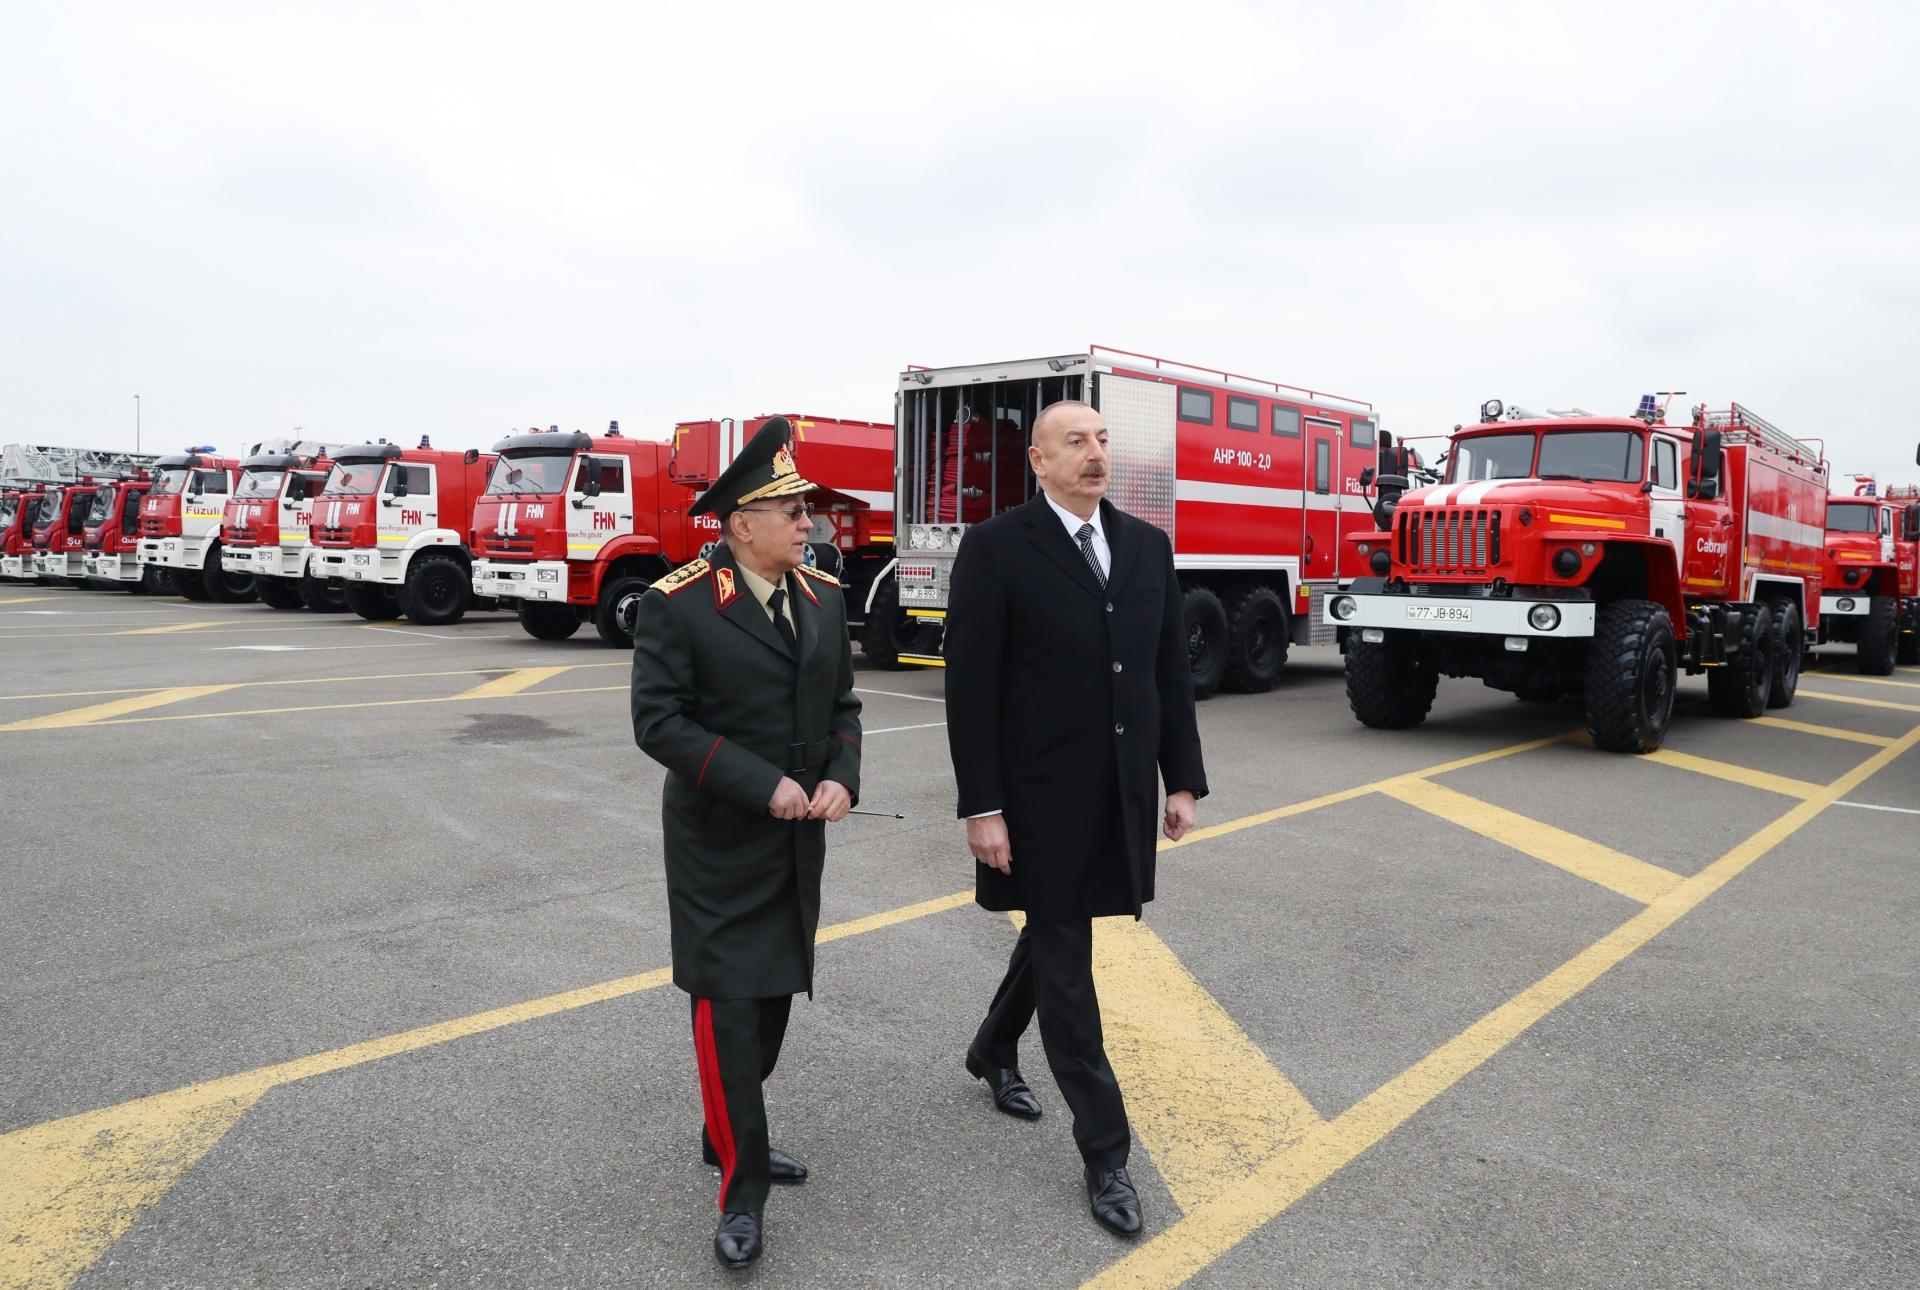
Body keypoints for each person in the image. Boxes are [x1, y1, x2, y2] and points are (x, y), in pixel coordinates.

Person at [943, 398, 1208, 1237]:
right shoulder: (996, 549)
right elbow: (970, 687)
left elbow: (1167, 674)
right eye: (1075, 443)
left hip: (1119, 794)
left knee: (1058, 930)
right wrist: (982, 806)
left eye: (1101, 440)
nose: (1095, 455)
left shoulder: (1145, 546)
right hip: (1036, 800)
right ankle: (1106, 1153)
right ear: (1039, 461)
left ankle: (990, 1048)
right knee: (1067, 966)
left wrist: (1182, 780)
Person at [628, 417, 863, 1270]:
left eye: (807, 509)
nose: (809, 522)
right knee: (728, 1004)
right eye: (789, 509)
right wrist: (759, 781)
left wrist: (843, 775)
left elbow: (843, 706)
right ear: (739, 525)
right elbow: (659, 723)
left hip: (800, 838)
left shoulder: (825, 598)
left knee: (769, 1001)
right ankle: (743, 1188)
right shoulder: (679, 602)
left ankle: (723, 1128)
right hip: (718, 840)